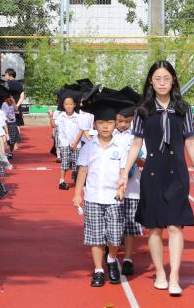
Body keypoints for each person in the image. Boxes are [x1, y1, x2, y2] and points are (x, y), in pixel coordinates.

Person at [118, 61, 194, 297]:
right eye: (158, 78)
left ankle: (174, 276)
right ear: (151, 82)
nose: (162, 83)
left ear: (173, 80)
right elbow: (136, 143)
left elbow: (190, 141)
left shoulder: (184, 109)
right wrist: (125, 173)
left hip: (177, 172)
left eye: (166, 78)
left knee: (176, 225)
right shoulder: (142, 110)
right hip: (152, 173)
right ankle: (160, 273)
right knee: (155, 228)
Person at [72, 104, 127, 287]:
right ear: (95, 125)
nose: (105, 126)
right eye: (101, 122)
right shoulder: (88, 147)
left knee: (115, 235)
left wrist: (121, 189)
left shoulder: (121, 147)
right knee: (95, 236)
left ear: (115, 124)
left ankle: (111, 259)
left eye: (109, 122)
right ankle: (98, 270)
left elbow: (124, 171)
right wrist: (77, 193)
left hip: (114, 198)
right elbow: (83, 171)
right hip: (93, 197)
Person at [114, 92, 145, 276]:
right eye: (120, 121)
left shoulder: (137, 137)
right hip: (112, 188)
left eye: (127, 121)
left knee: (130, 225)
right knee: (113, 223)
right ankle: (111, 254)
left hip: (132, 188)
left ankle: (127, 259)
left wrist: (138, 160)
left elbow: (144, 160)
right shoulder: (108, 135)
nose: (123, 124)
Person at [52, 92, 83, 190]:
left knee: (76, 162)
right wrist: (50, 116)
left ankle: (76, 175)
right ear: (63, 105)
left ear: (74, 105)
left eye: (70, 104)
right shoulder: (61, 116)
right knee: (65, 161)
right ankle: (61, 181)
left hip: (76, 144)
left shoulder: (78, 116)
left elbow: (81, 130)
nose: (68, 106)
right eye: (66, 104)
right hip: (64, 143)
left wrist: (76, 142)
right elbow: (53, 125)